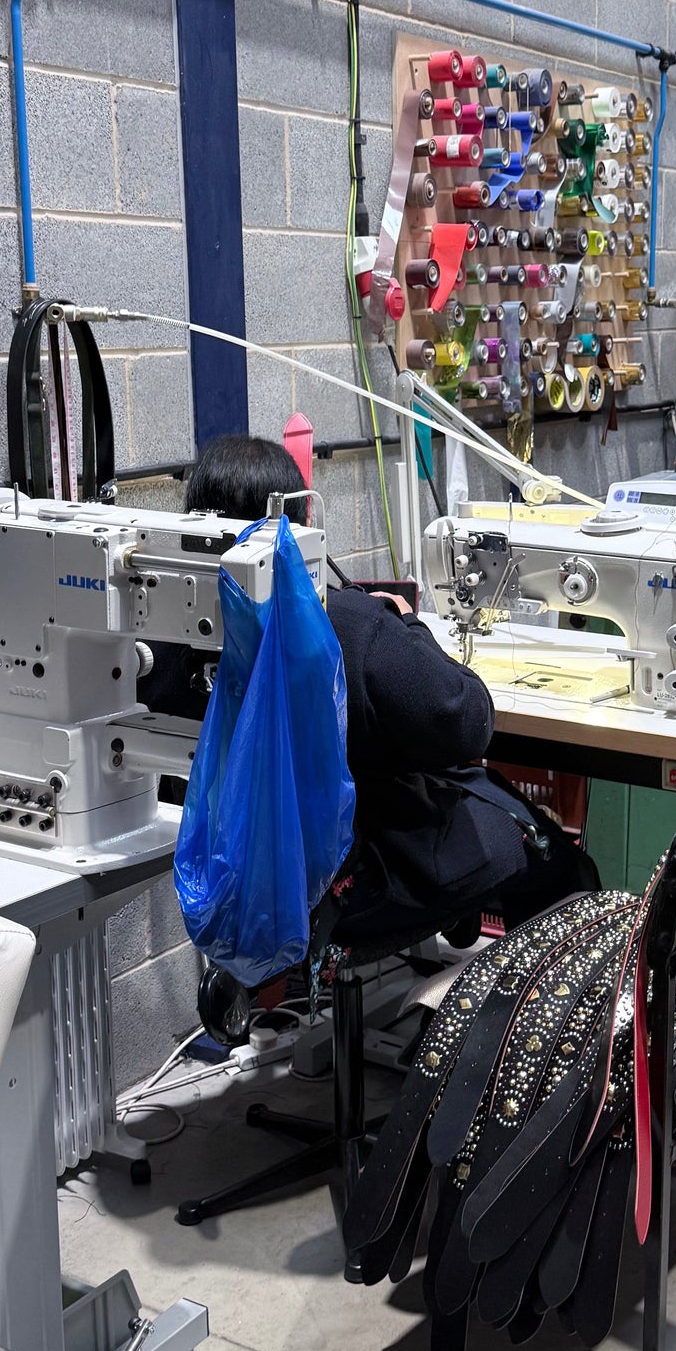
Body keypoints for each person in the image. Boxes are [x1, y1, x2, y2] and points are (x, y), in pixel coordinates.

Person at [143, 435, 597, 1021]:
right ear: (302, 525)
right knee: (554, 859)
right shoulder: (349, 628)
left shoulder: (159, 636)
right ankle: (534, 1042)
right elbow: (466, 722)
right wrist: (408, 628)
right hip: (357, 882)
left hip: (236, 890)